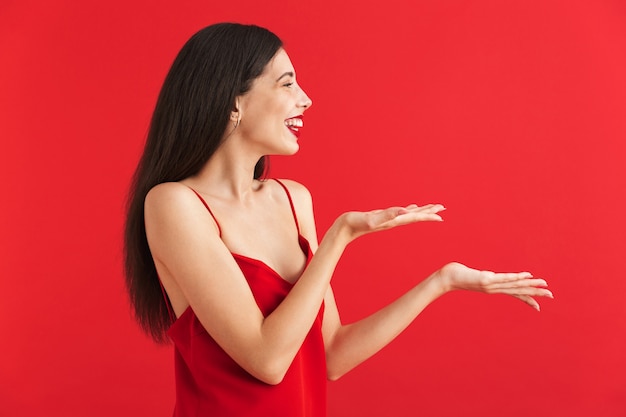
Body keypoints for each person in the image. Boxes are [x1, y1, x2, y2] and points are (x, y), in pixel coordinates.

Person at [124, 23, 553, 417]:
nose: (306, 99)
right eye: (287, 83)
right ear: (233, 101)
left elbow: (330, 354)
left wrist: (441, 282)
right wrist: (339, 237)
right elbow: (268, 360)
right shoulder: (173, 204)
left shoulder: (293, 199)